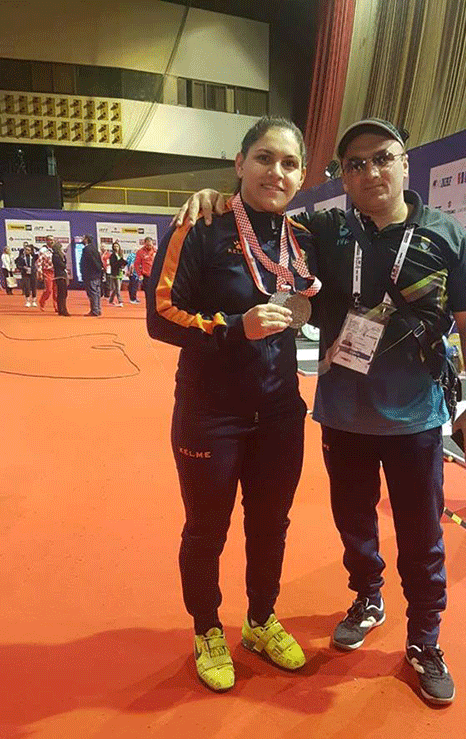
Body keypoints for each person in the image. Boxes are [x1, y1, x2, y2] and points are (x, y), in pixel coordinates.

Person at [174, 118, 466, 705]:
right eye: (355, 164)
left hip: (416, 418)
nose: (370, 172)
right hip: (341, 417)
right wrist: (214, 196)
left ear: (405, 163)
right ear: (341, 177)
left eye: (382, 158)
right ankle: (366, 597)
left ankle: (425, 640)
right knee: (353, 525)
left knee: (422, 535)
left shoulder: (446, 234)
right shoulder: (325, 230)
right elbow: (257, 212)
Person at [147, 116, 321, 693]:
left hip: (280, 413)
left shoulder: (302, 237)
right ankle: (206, 629)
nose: (277, 172)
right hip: (211, 413)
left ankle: (260, 620)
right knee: (207, 530)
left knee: (271, 525)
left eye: (289, 164)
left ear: (302, 176)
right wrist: (232, 327)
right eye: (264, 158)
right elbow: (160, 316)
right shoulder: (200, 226)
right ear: (240, 163)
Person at [80, 235, 104, 316]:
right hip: (96, 275)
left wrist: (84, 273)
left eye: (83, 238)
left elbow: (89, 262)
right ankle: (97, 309)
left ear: (86, 239)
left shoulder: (87, 249)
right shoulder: (94, 248)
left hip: (90, 275)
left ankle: (95, 310)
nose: (82, 240)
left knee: (92, 293)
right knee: (96, 293)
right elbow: (99, 262)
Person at [38, 236, 57, 312]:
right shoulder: (43, 250)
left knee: (56, 290)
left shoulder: (56, 249)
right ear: (46, 241)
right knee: (49, 290)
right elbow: (39, 262)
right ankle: (42, 301)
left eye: (52, 240)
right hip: (47, 271)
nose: (51, 241)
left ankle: (56, 306)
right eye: (49, 240)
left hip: (56, 271)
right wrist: (40, 272)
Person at [52, 241, 70, 316]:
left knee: (63, 293)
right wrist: (64, 264)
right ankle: (62, 309)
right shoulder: (55, 256)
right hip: (59, 276)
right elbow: (61, 265)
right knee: (61, 293)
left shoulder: (61, 255)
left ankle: (62, 309)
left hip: (62, 275)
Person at [108, 241, 126, 306]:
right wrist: (119, 263)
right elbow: (113, 264)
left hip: (120, 273)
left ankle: (111, 300)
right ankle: (120, 301)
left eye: (117, 246)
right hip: (115, 274)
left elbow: (122, 263)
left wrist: (123, 264)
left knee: (116, 289)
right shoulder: (112, 256)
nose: (116, 247)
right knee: (118, 288)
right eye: (115, 246)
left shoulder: (120, 255)